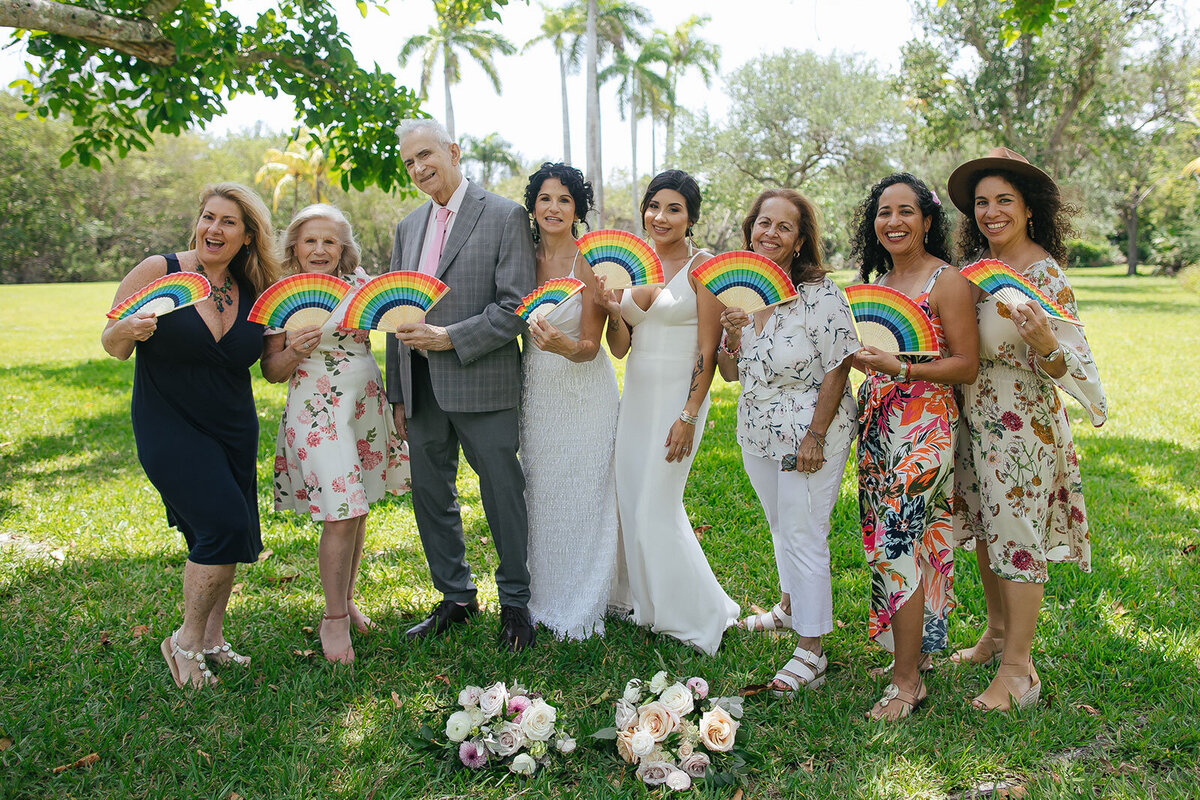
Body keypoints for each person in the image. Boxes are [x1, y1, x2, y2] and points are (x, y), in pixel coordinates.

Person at [101, 182, 280, 688]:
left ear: (247, 236)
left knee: (234, 532)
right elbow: (111, 343)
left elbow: (270, 365)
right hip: (169, 423)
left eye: (227, 222)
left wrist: (298, 346)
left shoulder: (253, 289)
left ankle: (212, 640)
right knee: (221, 525)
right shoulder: (161, 271)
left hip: (234, 428)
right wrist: (128, 329)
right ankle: (182, 644)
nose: (212, 229)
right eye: (207, 217)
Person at [946, 148, 1106, 711]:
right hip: (973, 416)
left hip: (1020, 428)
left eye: (1004, 201)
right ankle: (994, 636)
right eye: (982, 203)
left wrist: (1045, 346)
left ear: (1029, 209)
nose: (991, 212)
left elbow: (1077, 367)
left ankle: (1020, 670)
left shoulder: (1044, 274)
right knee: (989, 532)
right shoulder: (973, 273)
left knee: (1017, 539)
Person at [384, 118, 537, 651]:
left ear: (452, 151)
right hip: (419, 386)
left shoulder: (504, 215)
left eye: (426, 155)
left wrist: (450, 337)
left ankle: (517, 603)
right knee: (431, 495)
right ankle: (456, 596)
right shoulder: (406, 228)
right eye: (409, 162)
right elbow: (393, 311)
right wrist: (397, 393)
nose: (419, 168)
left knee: (501, 492)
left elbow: (517, 305)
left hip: (482, 378)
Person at [715, 189, 859, 694]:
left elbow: (840, 365)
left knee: (804, 532)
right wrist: (731, 333)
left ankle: (812, 648)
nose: (770, 234)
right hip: (756, 431)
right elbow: (731, 373)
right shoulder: (739, 293)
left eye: (784, 227)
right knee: (781, 524)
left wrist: (815, 435)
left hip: (810, 432)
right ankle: (789, 606)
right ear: (750, 228)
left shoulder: (820, 295)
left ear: (800, 241)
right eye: (763, 223)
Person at [849, 173, 978, 720]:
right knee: (890, 540)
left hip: (924, 424)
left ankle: (907, 683)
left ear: (928, 221)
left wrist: (901, 365)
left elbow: (966, 365)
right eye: (884, 212)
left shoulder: (944, 281)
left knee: (903, 539)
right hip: (878, 420)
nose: (893, 222)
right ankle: (914, 652)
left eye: (906, 212)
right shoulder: (879, 284)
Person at [597, 169, 740, 656]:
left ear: (691, 217)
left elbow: (706, 349)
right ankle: (650, 605)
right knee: (634, 505)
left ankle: (697, 616)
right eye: (654, 205)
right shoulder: (630, 265)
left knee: (658, 507)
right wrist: (614, 310)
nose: (660, 216)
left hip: (680, 402)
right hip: (636, 400)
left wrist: (689, 414)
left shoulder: (705, 266)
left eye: (674, 208)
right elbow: (619, 349)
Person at [261, 204, 410, 664]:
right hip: (315, 410)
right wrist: (292, 350)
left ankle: (345, 598)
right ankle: (333, 619)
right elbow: (270, 370)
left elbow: (396, 327)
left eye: (330, 241)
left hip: (363, 406)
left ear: (343, 247)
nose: (320, 250)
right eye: (310, 241)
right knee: (340, 510)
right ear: (295, 248)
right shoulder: (279, 295)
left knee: (357, 508)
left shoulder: (362, 286)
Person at [518, 163, 619, 640]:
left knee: (585, 492)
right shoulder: (520, 256)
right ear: (533, 206)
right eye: (544, 198)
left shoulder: (591, 262)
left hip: (583, 389)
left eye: (563, 200)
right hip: (537, 390)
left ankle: (583, 596)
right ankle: (540, 593)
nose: (553, 208)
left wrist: (564, 347)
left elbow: (591, 346)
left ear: (577, 209)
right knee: (541, 489)